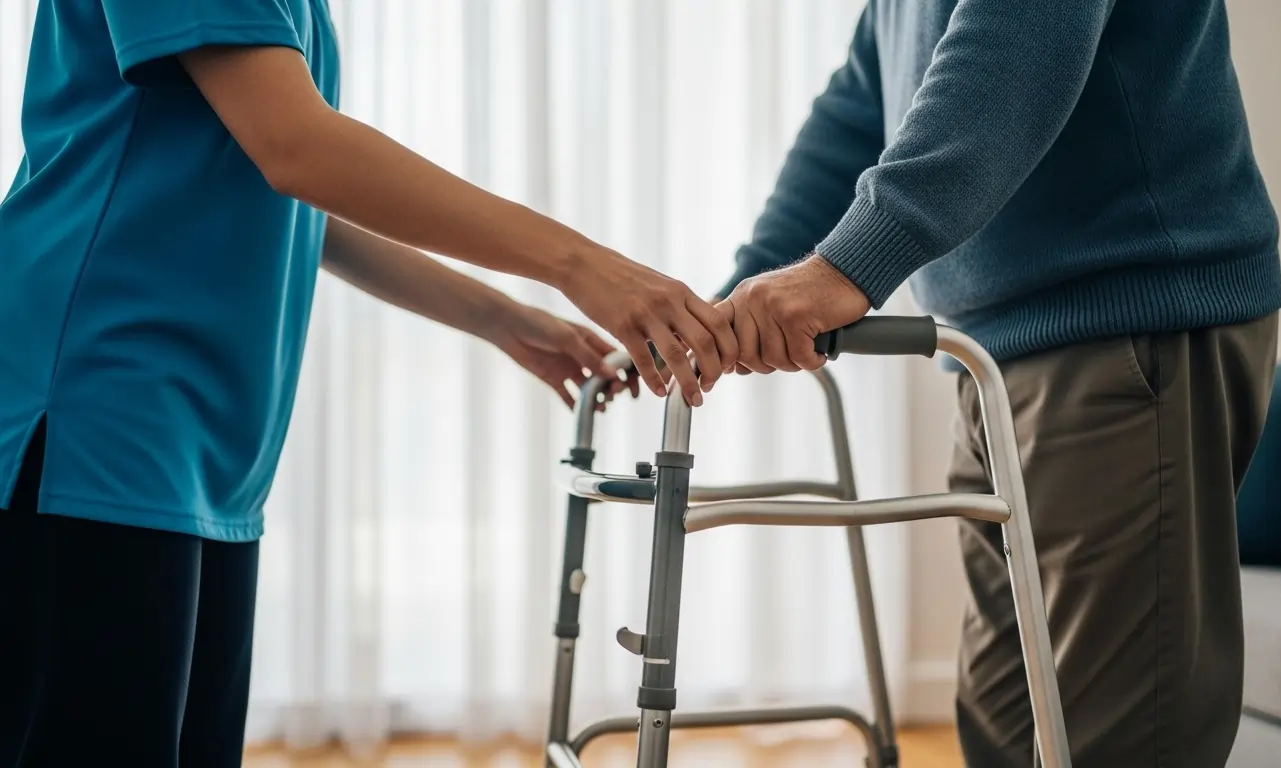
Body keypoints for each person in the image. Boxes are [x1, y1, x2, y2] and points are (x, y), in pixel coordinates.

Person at [0, 1, 736, 765]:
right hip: (95, 403)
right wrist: (578, 264)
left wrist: (503, 318)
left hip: (203, 440)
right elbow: (297, 150)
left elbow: (291, 194)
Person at [715, 1, 1281, 766]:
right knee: (1008, 722)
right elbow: (858, 113)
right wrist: (737, 300)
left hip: (1118, 318)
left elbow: (1016, 43)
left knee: (1115, 736)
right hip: (993, 349)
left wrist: (850, 265)